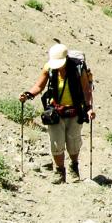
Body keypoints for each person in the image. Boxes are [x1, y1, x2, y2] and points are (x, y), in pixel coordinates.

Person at [20, 43, 95, 184]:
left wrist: (88, 107)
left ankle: (74, 167)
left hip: (75, 110)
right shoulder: (49, 68)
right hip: (56, 111)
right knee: (56, 143)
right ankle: (59, 172)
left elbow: (86, 90)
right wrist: (28, 94)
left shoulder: (78, 68)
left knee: (73, 142)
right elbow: (39, 86)